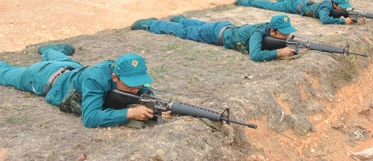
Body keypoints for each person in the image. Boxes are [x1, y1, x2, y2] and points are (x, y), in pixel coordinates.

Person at [0, 44, 170, 128]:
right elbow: (90, 118)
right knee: (6, 73)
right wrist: (130, 112)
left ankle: (49, 49)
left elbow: (145, 93)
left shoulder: (132, 75)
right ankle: (49, 52)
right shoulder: (94, 78)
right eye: (130, 85)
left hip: (72, 67)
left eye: (138, 82)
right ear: (114, 77)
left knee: (57, 56)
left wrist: (156, 108)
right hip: (44, 76)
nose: (136, 89)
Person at [131, 14, 298, 62]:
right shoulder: (258, 33)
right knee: (184, 31)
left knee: (197, 26)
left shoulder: (267, 29)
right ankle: (151, 24)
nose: (286, 36)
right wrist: (279, 53)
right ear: (273, 31)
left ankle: (180, 18)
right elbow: (255, 55)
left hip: (223, 27)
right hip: (215, 34)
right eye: (284, 33)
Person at [234, 0, 365, 25]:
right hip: (294, 7)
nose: (344, 9)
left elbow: (340, 14)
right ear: (335, 4)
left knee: (285, 0)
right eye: (342, 7)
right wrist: (343, 22)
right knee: (270, 5)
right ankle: (245, 1)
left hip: (301, 2)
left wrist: (354, 19)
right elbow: (324, 20)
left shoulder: (332, 4)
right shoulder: (326, 7)